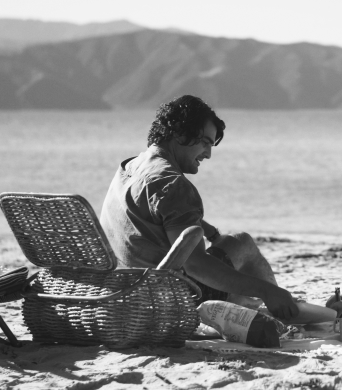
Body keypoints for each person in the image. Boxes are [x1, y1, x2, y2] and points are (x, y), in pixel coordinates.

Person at [99, 95, 298, 320]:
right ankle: (286, 312)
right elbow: (196, 266)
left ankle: (244, 302)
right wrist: (267, 291)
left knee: (225, 251)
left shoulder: (131, 167)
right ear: (179, 133)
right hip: (170, 298)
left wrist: (209, 231)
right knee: (242, 243)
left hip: (125, 293)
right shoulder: (173, 184)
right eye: (205, 142)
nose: (208, 154)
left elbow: (155, 212)